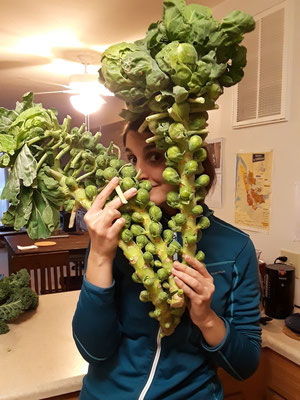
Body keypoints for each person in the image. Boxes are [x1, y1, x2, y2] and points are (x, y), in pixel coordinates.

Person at [72, 118, 262, 400]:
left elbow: (245, 365)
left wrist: (207, 319)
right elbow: (93, 350)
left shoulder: (236, 247)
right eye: (132, 158)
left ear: (190, 158)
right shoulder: (112, 236)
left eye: (155, 157)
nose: (138, 173)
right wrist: (100, 255)